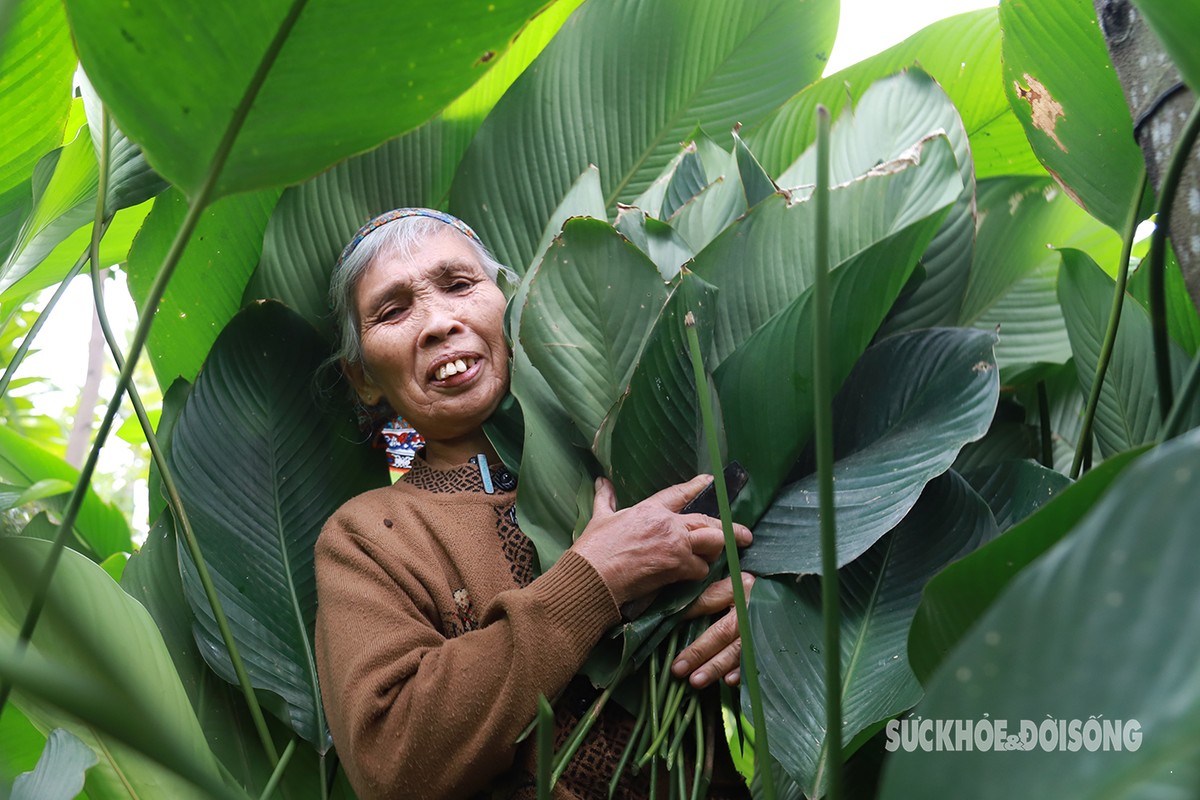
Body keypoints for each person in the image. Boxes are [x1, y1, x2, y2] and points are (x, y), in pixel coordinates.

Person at [315, 208, 753, 800]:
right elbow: (390, 761)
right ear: (362, 377)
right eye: (393, 311)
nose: (438, 322)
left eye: (459, 285)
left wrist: (757, 614)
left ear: (513, 307)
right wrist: (593, 580)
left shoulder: (626, 457)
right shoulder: (368, 536)